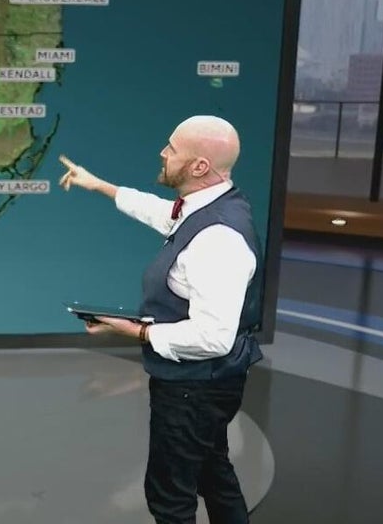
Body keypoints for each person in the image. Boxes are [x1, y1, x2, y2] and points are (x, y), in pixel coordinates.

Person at [57, 114, 263, 524]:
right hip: (206, 385)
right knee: (213, 472)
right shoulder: (209, 207)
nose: (162, 153)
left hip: (194, 389)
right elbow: (162, 214)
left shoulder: (218, 238)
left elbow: (213, 338)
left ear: (199, 166)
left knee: (170, 497)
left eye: (172, 148)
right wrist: (99, 185)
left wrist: (136, 331)